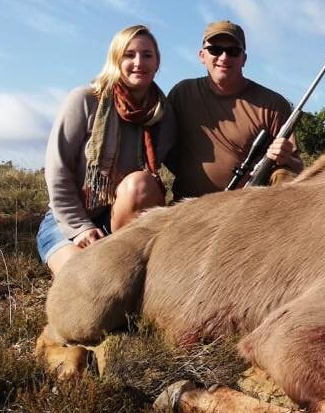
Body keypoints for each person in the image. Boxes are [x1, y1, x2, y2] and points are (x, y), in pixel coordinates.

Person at [36, 24, 174, 275]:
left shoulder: (163, 115)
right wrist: (80, 228)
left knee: (141, 184)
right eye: (129, 55)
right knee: (85, 280)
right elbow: (58, 172)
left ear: (157, 62)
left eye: (147, 55)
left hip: (119, 218)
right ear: (115, 60)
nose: (138, 62)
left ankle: (124, 260)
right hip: (67, 221)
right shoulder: (86, 100)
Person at [166, 20, 303, 198]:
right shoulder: (182, 93)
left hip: (242, 214)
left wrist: (285, 157)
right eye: (215, 49)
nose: (224, 57)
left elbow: (297, 166)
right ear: (201, 55)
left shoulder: (273, 104)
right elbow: (163, 147)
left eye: (233, 51)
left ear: (244, 59)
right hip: (187, 208)